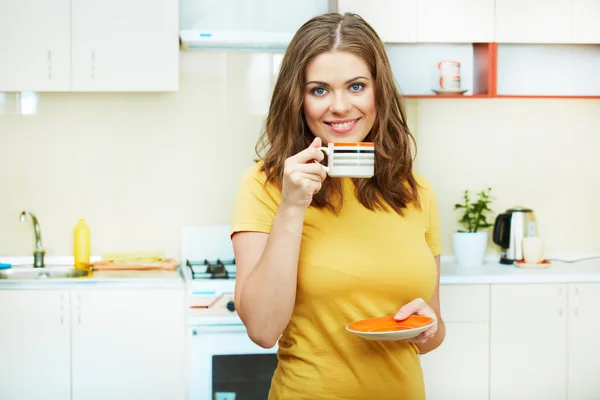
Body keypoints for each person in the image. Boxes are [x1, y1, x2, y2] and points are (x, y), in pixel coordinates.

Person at [230, 11, 445, 400]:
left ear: (379, 90)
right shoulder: (267, 185)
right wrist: (292, 206)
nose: (340, 106)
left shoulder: (416, 190)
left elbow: (433, 333)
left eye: (356, 86)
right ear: (297, 100)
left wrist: (428, 325)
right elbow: (262, 330)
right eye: (319, 90)